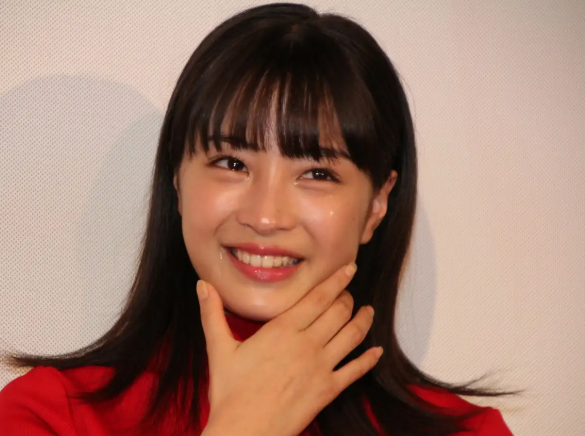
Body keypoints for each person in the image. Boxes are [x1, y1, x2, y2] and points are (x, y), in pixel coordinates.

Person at [0, 3, 522, 435]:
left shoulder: (468, 431)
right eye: (232, 164)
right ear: (177, 179)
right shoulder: (48, 415)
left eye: (317, 173)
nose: (266, 217)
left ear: (377, 205)